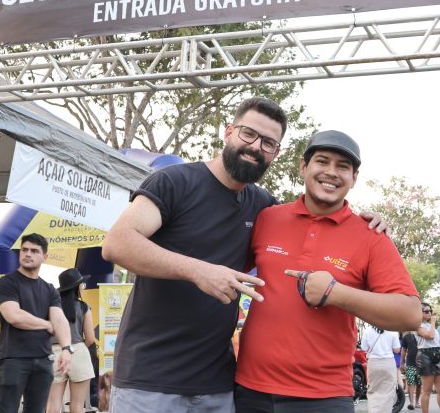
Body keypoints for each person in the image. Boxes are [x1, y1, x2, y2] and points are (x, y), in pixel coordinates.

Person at [102, 99, 387, 412]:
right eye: (248, 134)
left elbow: (311, 216)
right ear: (228, 132)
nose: (255, 147)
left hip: (219, 385)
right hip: (149, 379)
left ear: (276, 153)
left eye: (268, 143)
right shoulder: (174, 181)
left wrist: (367, 221)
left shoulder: (263, 207)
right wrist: (199, 271)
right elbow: (117, 243)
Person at [233, 130, 420, 412]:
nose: (331, 172)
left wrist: (336, 293)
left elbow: (411, 314)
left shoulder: (371, 236)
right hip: (249, 391)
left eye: (343, 166)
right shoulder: (267, 218)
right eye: (322, 161)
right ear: (303, 166)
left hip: (324, 397)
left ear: (354, 178)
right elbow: (223, 267)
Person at [0, 233, 73, 413]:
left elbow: (59, 319)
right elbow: (14, 316)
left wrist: (67, 349)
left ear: (45, 256)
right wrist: (46, 325)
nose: (28, 254)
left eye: (34, 251)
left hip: (43, 360)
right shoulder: (7, 282)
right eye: (24, 250)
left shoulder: (50, 289)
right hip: (13, 359)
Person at [48, 268, 97, 413]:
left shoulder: (51, 308)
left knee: (53, 405)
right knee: (77, 406)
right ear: (77, 287)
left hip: (55, 353)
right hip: (79, 353)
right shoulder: (84, 307)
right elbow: (90, 338)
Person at [416, 303, 440, 413]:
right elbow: (430, 336)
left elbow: (432, 342)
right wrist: (433, 322)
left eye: (430, 310)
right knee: (427, 390)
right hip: (424, 356)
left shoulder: (429, 325)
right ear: (419, 313)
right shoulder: (417, 325)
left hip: (435, 355)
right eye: (426, 311)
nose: (429, 313)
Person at [361, 325, 401, 413]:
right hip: (388, 362)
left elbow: (364, 348)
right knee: (388, 391)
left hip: (373, 362)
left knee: (373, 390)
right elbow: (397, 350)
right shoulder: (392, 329)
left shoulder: (368, 330)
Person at [400, 331, 420, 410]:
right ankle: (411, 403)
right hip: (410, 363)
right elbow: (403, 350)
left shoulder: (422, 335)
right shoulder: (406, 337)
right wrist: (402, 363)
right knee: (411, 382)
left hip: (421, 364)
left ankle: (417, 402)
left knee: (419, 384)